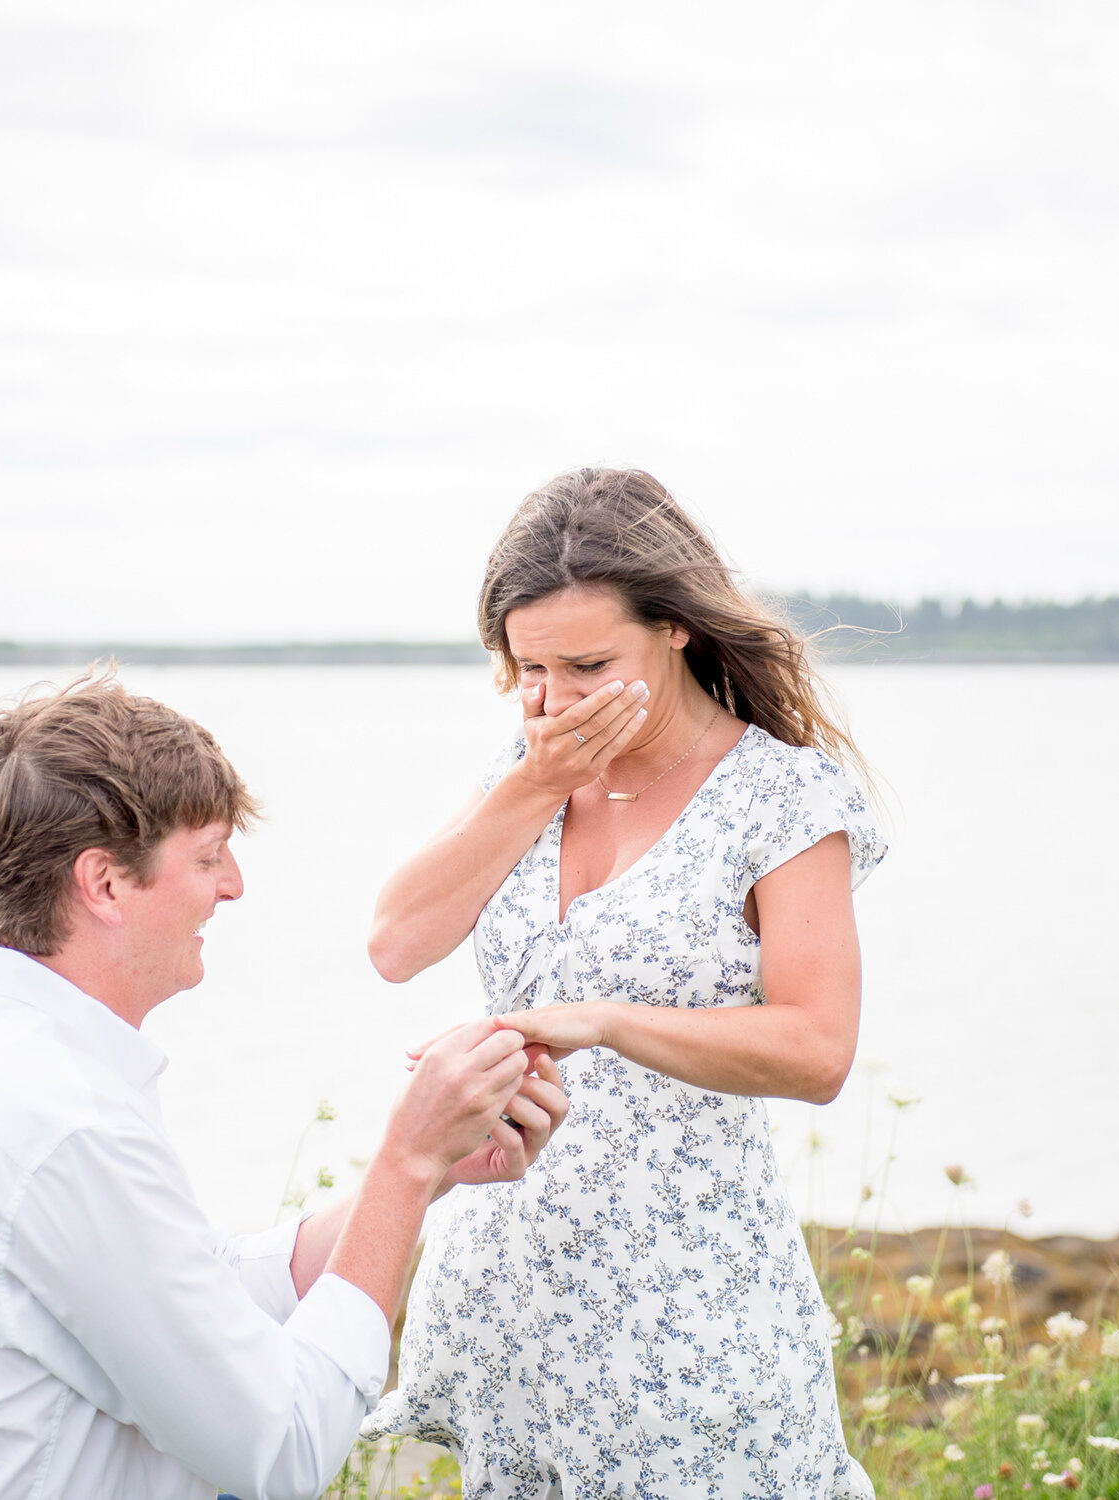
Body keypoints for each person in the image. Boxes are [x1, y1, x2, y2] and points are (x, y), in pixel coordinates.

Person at [0, 670, 568, 1500]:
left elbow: (187, 1291)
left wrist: (432, 1175)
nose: (232, 886)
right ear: (105, 884)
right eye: (209, 856)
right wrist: (406, 1163)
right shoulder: (61, 1122)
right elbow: (281, 1449)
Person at [361, 469, 885, 1498]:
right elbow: (395, 942)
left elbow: (819, 1050)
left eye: (589, 664)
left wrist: (606, 1021)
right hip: (505, 1305)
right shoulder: (531, 767)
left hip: (682, 1316)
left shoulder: (781, 797)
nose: (554, 700)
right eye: (529, 670)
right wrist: (534, 780)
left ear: (678, 628)